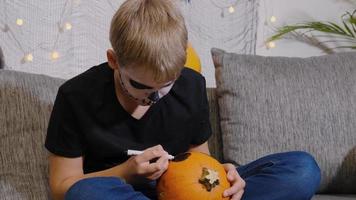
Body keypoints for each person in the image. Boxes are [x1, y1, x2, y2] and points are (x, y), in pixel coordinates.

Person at [45, 0, 321, 200]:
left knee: (301, 169)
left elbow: (200, 158)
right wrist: (127, 171)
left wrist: (224, 175)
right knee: (85, 194)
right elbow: (62, 188)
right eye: (141, 86)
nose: (153, 97)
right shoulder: (76, 96)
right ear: (114, 61)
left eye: (166, 86)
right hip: (121, 191)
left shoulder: (191, 85)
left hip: (188, 190)